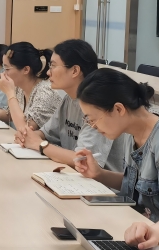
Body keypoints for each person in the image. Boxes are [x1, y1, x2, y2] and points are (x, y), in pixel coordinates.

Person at [74, 69, 159, 223]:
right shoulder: (131, 133)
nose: (93, 127)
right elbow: (134, 185)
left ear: (118, 109)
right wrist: (99, 174)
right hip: (135, 223)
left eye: (93, 120)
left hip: (156, 234)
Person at [14, 39, 126, 171]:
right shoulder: (69, 99)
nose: (48, 72)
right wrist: (27, 136)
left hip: (96, 182)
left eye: (53, 66)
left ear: (75, 71)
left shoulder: (99, 104)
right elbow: (45, 133)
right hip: (72, 175)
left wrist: (40, 145)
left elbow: (84, 160)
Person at [0, 42, 63, 131]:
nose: (4, 73)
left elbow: (25, 129)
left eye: (7, 69)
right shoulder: (19, 88)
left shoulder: (46, 93)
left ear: (26, 69)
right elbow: (10, 115)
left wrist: (9, 93)